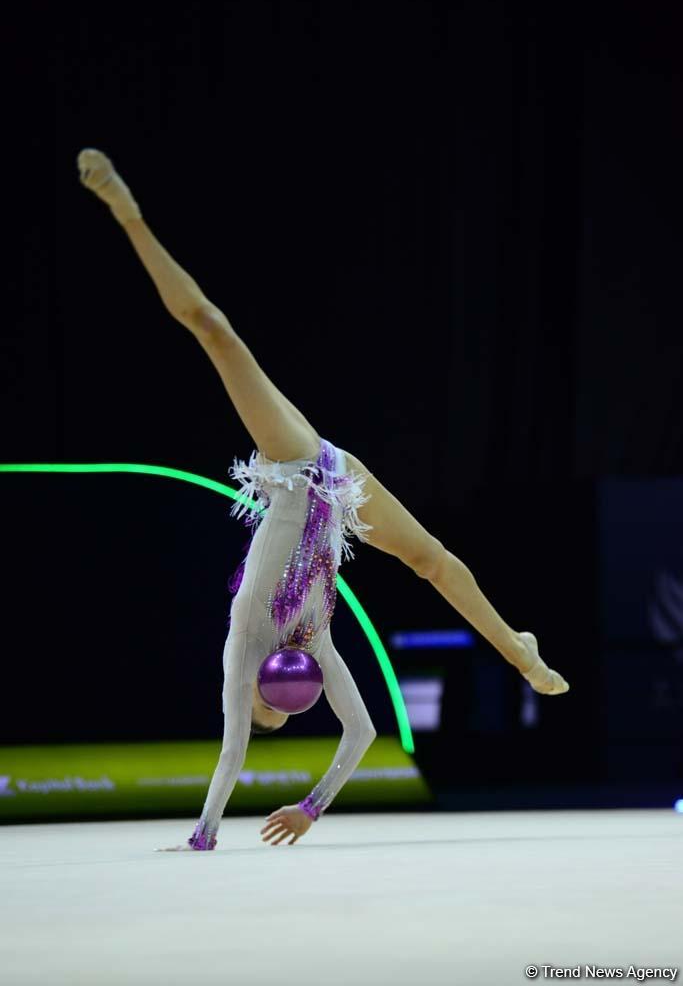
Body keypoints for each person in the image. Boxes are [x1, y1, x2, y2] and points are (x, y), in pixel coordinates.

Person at [76, 149, 570, 850]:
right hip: (337, 482)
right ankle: (520, 650)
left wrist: (204, 836)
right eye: (284, 708)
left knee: (213, 331)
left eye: (264, 708)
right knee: (431, 561)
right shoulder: (316, 645)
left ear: (256, 692)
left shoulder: (242, 648)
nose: (272, 700)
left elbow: (230, 753)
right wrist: (312, 806)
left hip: (294, 465)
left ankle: (127, 214)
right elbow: (363, 732)